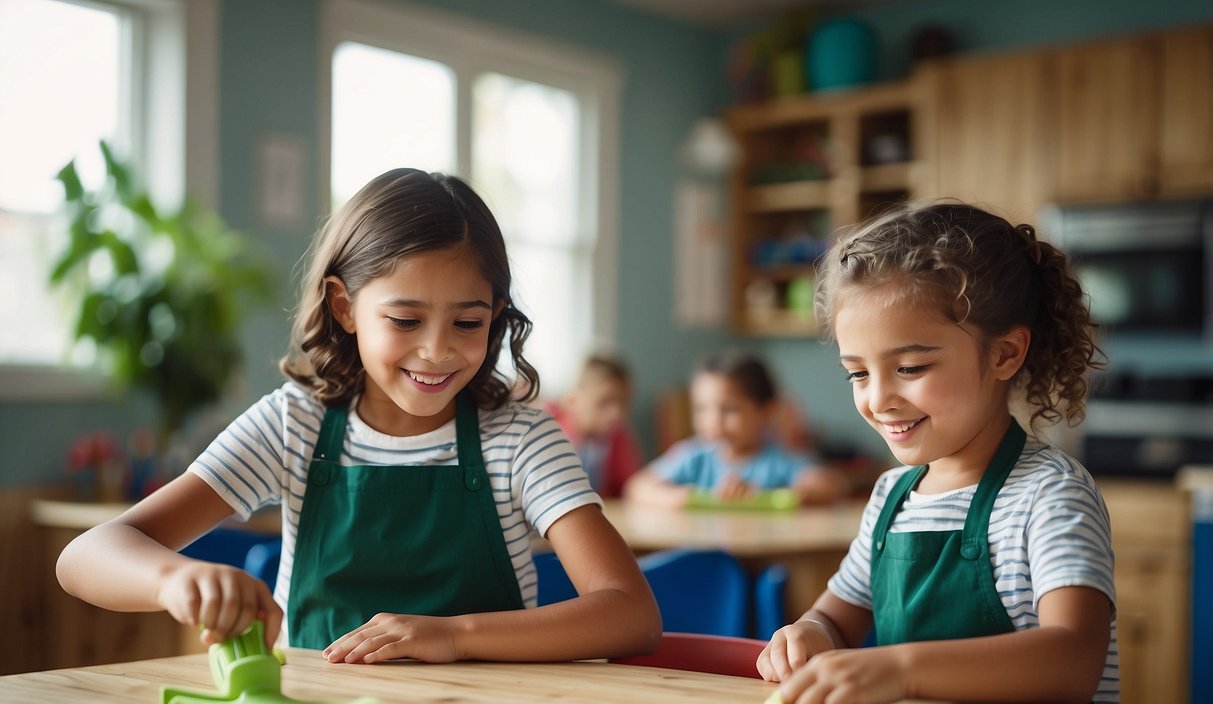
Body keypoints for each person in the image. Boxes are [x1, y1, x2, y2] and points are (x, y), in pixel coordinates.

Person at [57, 168, 661, 665]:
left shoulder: (520, 437)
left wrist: (455, 636)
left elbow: (630, 613)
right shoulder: (294, 425)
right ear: (345, 307)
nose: (437, 349)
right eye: (405, 320)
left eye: (468, 323)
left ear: (496, 315)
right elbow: (86, 556)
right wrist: (171, 580)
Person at [759, 201, 1119, 704]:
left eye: (910, 367)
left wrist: (901, 671)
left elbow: (1073, 662)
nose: (878, 398)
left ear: (1004, 354)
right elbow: (836, 621)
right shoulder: (891, 496)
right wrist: (806, 634)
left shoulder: (1050, 494)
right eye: (857, 373)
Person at [624, 351, 846, 508]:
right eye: (702, 409)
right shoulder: (694, 456)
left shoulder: (778, 459)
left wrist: (768, 498)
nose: (713, 421)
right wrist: (684, 498)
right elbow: (637, 487)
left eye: (729, 409)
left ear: (766, 411)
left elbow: (831, 486)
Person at [546, 353, 644, 499]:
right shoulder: (548, 426)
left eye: (623, 403)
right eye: (605, 402)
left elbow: (632, 485)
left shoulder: (618, 436)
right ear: (574, 400)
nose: (616, 414)